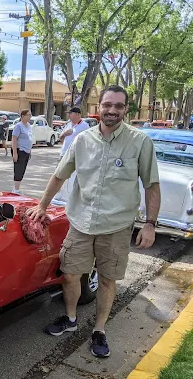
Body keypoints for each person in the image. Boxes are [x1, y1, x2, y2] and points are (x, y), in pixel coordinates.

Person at [27, 85, 161, 358]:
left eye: (118, 106)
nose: (112, 110)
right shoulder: (82, 140)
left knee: (108, 281)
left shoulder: (140, 142)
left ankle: (99, 330)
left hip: (116, 226)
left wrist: (151, 223)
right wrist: (42, 205)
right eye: (107, 104)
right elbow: (60, 174)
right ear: (98, 107)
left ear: (126, 109)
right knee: (71, 274)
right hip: (81, 223)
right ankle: (71, 319)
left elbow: (151, 185)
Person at [11, 109, 34, 194]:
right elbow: (14, 139)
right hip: (19, 150)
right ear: (22, 116)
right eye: (28, 115)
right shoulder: (18, 126)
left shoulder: (29, 125)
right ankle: (15, 189)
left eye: (30, 115)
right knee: (18, 169)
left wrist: (30, 150)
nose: (29, 117)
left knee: (23, 170)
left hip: (26, 151)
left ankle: (17, 188)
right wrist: (15, 153)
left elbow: (29, 138)